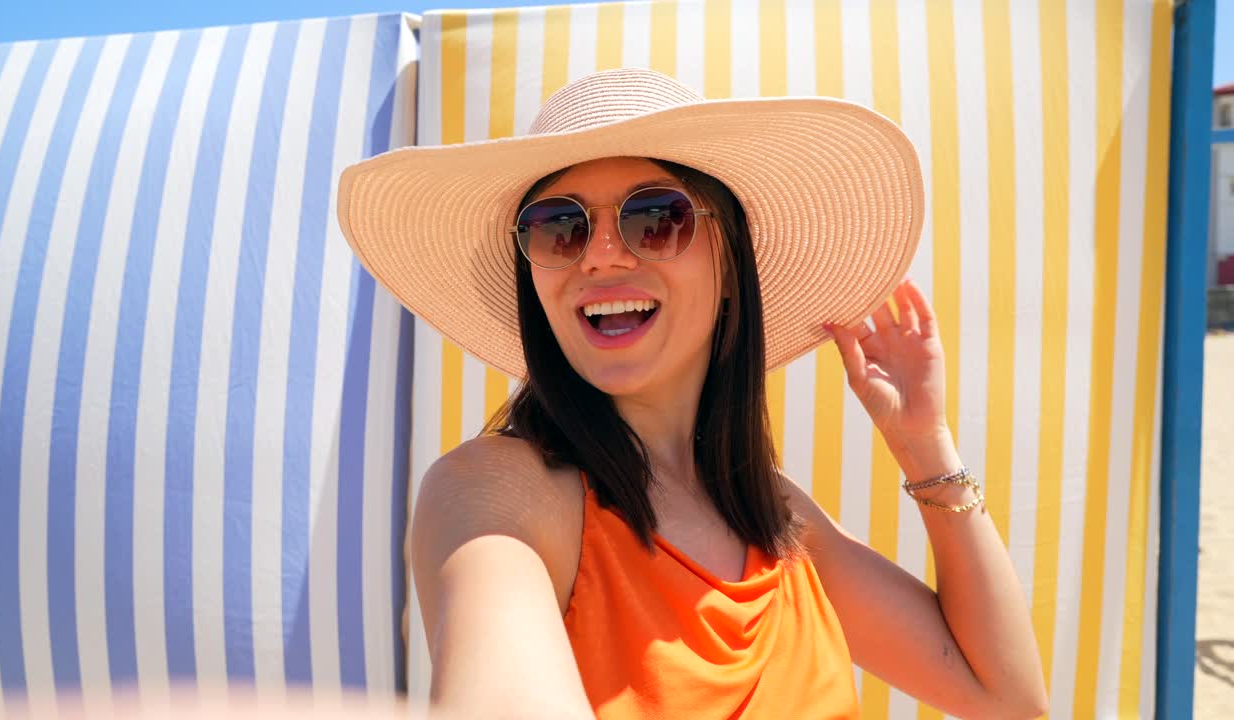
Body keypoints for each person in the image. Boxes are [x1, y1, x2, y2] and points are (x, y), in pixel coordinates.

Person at [336, 68, 1047, 720]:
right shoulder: (498, 495)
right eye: (559, 227)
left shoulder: (780, 518)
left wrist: (924, 444)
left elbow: (1007, 697)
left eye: (656, 218)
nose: (602, 254)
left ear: (730, 262)